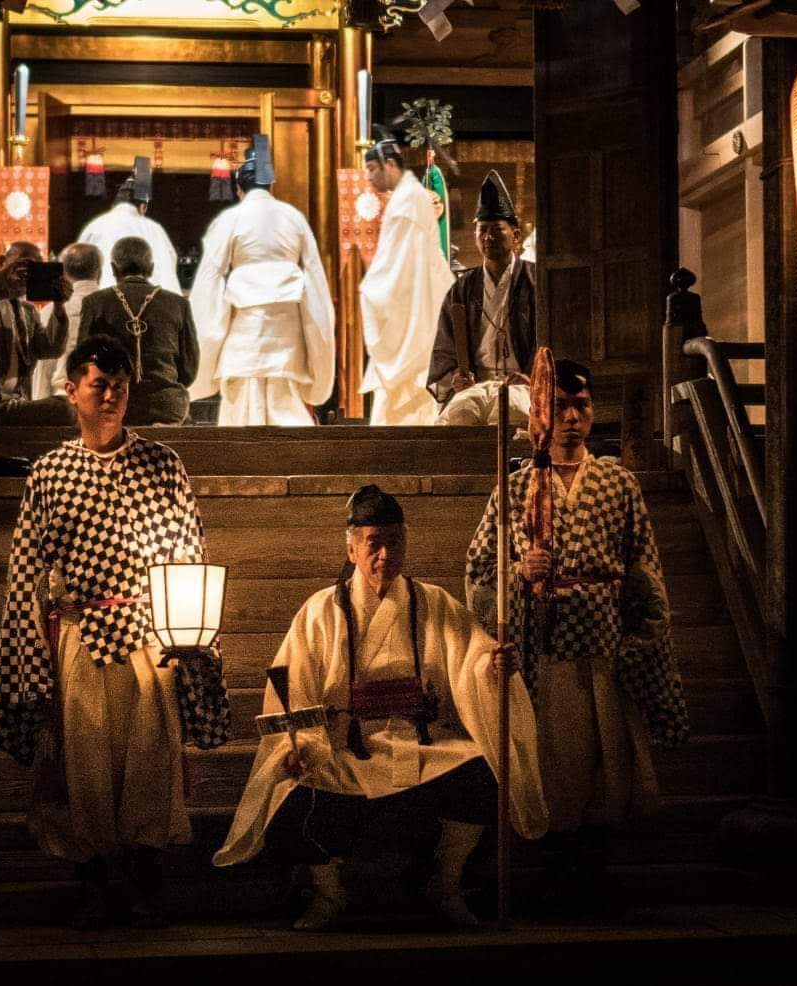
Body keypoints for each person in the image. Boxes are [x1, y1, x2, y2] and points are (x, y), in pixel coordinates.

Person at [214, 485, 548, 931]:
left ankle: (446, 883)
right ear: (352, 547)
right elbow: (293, 689)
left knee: (486, 772)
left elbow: (472, 657)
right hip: (345, 749)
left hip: (421, 745)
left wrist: (493, 665)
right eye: (374, 542)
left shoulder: (433, 603)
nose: (385, 554)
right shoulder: (320, 612)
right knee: (287, 793)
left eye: (395, 541)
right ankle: (328, 892)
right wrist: (300, 745)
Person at [0, 333, 219, 928]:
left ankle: (145, 880)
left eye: (121, 386)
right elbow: (25, 570)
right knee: (84, 760)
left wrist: (188, 638)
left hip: (148, 633)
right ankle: (94, 880)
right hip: (79, 634)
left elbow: (186, 551)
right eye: (99, 385)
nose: (112, 395)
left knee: (148, 760)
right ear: (72, 392)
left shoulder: (161, 464)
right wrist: (28, 658)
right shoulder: (50, 472)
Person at [465, 358, 689, 905]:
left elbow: (644, 567)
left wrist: (644, 634)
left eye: (581, 406)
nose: (571, 417)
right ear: (541, 415)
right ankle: (554, 866)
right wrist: (519, 575)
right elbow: (478, 571)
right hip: (544, 647)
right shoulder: (514, 487)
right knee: (553, 760)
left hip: (604, 641)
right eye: (560, 406)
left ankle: (593, 869)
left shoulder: (618, 483)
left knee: (606, 760)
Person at [188, 136, 335, 426]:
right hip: (288, 333)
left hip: (243, 331)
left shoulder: (231, 218)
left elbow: (209, 280)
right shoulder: (293, 218)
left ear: (239, 189)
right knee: (287, 409)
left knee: (241, 415)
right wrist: (319, 343)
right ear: (270, 186)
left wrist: (205, 341)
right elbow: (316, 283)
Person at [358, 132, 454, 426]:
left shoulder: (407, 202)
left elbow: (398, 270)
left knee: (407, 398)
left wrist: (368, 289)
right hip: (418, 306)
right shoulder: (407, 198)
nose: (370, 179)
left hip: (414, 310)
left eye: (372, 169)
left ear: (389, 164)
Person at [427, 170, 534, 427]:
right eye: (482, 230)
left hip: (524, 386)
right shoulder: (462, 289)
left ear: (515, 235)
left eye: (497, 229)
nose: (488, 237)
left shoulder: (535, 281)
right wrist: (455, 377)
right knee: (454, 421)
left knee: (509, 416)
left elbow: (553, 342)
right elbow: (445, 347)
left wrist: (534, 376)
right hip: (476, 386)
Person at [77, 236, 199, 426]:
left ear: (113, 269)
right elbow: (189, 371)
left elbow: (82, 366)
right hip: (167, 408)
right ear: (150, 268)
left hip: (113, 405)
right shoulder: (178, 304)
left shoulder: (95, 303)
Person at [0, 241, 74, 426]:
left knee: (69, 406)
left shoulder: (28, 311)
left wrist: (59, 305)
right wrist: (2, 277)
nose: (26, 276)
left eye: (35, 269)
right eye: (22, 266)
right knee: (64, 410)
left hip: (18, 401)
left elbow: (51, 349)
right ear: (3, 262)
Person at [77, 157, 180, 294]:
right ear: (143, 207)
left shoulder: (95, 226)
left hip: (101, 300)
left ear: (114, 205)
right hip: (147, 301)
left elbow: (78, 261)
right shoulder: (154, 229)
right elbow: (168, 263)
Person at [32, 242, 102, 401]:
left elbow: (43, 368)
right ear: (99, 271)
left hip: (62, 402)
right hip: (104, 401)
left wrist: (39, 405)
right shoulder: (111, 307)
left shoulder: (50, 311)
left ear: (63, 273)